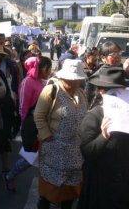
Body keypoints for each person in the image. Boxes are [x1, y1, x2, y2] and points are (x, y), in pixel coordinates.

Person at [34, 59, 88, 209]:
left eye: (78, 80)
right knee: (50, 189)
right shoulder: (52, 91)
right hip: (54, 149)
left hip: (74, 152)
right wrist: (46, 135)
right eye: (72, 79)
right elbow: (39, 115)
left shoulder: (81, 93)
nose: (76, 83)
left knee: (70, 190)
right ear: (63, 77)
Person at [78, 66, 129, 209]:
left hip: (124, 182)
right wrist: (103, 137)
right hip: (101, 184)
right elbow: (87, 152)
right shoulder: (94, 116)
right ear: (102, 92)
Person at [3, 56, 52, 192]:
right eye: (46, 67)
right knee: (29, 158)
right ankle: (10, 176)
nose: (49, 70)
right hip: (32, 126)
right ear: (38, 68)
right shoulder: (27, 82)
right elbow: (22, 106)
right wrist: (25, 127)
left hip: (44, 125)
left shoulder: (43, 81)